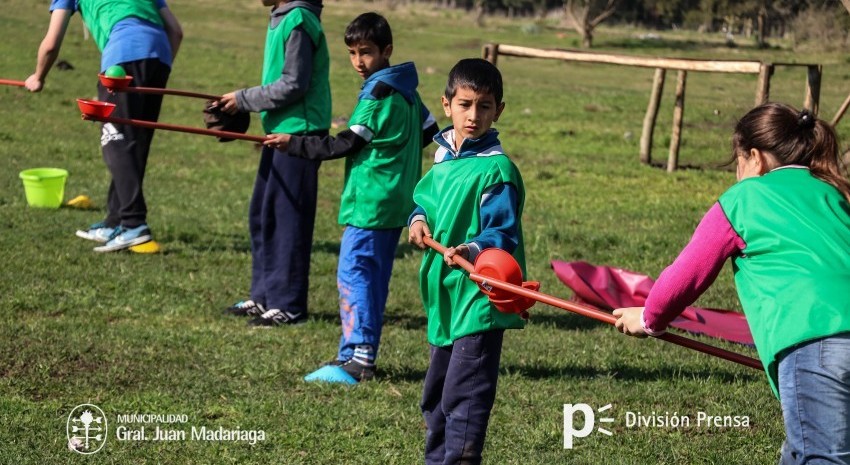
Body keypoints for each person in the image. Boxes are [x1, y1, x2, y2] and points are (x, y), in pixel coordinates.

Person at [613, 103, 850, 465]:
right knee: (801, 449)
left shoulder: (744, 198)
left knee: (822, 456)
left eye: (737, 162)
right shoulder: (832, 194)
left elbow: (687, 273)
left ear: (754, 157)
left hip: (814, 342)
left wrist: (649, 319)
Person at [264, 12, 438, 382]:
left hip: (370, 204)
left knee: (354, 274)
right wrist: (396, 158)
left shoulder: (376, 93)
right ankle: (360, 354)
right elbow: (429, 131)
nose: (359, 62)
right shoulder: (408, 91)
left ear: (387, 50)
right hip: (396, 204)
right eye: (353, 53)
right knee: (374, 278)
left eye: (367, 52)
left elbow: (347, 143)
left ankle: (357, 358)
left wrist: (294, 143)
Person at [407, 58, 526, 465]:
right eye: (465, 104)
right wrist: (418, 219)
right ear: (446, 104)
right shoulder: (443, 157)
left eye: (485, 106)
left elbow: (500, 232)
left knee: (465, 396)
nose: (474, 115)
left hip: (479, 295)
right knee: (436, 394)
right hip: (443, 293)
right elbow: (425, 198)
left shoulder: (496, 169)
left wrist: (471, 251)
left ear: (499, 110)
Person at [26, 0, 183, 253]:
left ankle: (134, 223)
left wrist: (38, 76)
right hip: (160, 56)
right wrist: (157, 69)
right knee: (135, 140)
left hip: (123, 58)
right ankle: (116, 221)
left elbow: (51, 43)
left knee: (115, 141)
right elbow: (176, 31)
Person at [219, 0, 331, 327]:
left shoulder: (299, 19)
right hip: (279, 131)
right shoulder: (282, 17)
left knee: (288, 222)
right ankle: (264, 296)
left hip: (300, 134)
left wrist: (243, 100)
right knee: (264, 214)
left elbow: (294, 83)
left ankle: (289, 304)